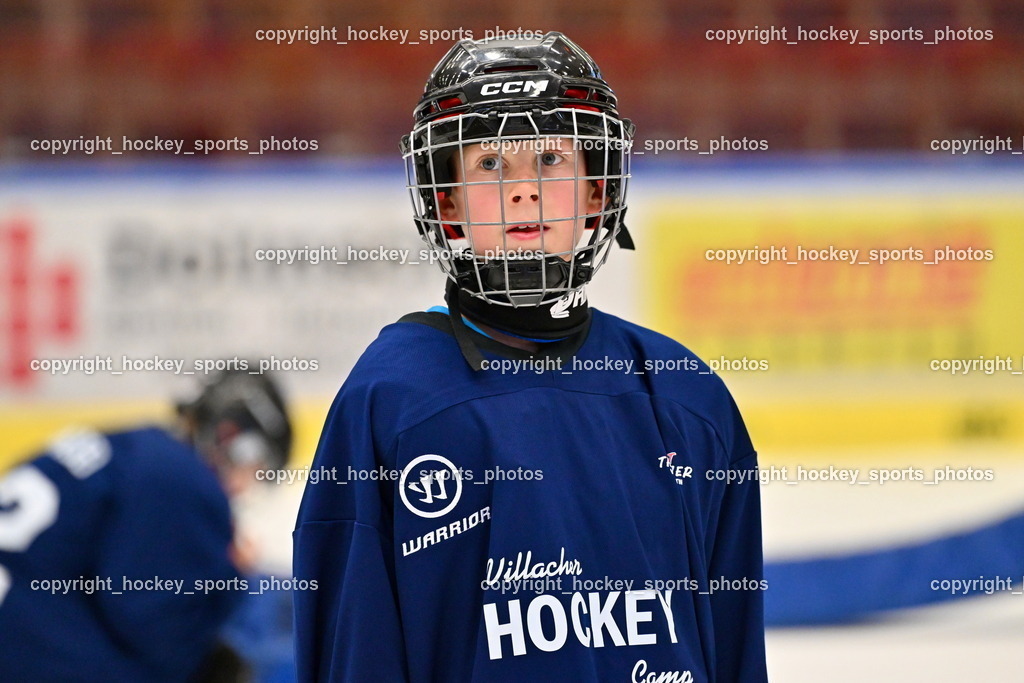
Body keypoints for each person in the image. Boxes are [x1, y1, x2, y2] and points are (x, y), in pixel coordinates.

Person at [293, 32, 768, 682]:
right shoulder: (388, 402)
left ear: (598, 191)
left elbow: (734, 652)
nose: (524, 191)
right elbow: (355, 651)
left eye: (550, 157)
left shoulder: (689, 400)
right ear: (448, 201)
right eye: (490, 164)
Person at [0, 368, 292, 683]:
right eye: (255, 468)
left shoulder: (135, 451)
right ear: (231, 437)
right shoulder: (180, 477)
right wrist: (226, 586)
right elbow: (153, 622)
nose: (243, 488)